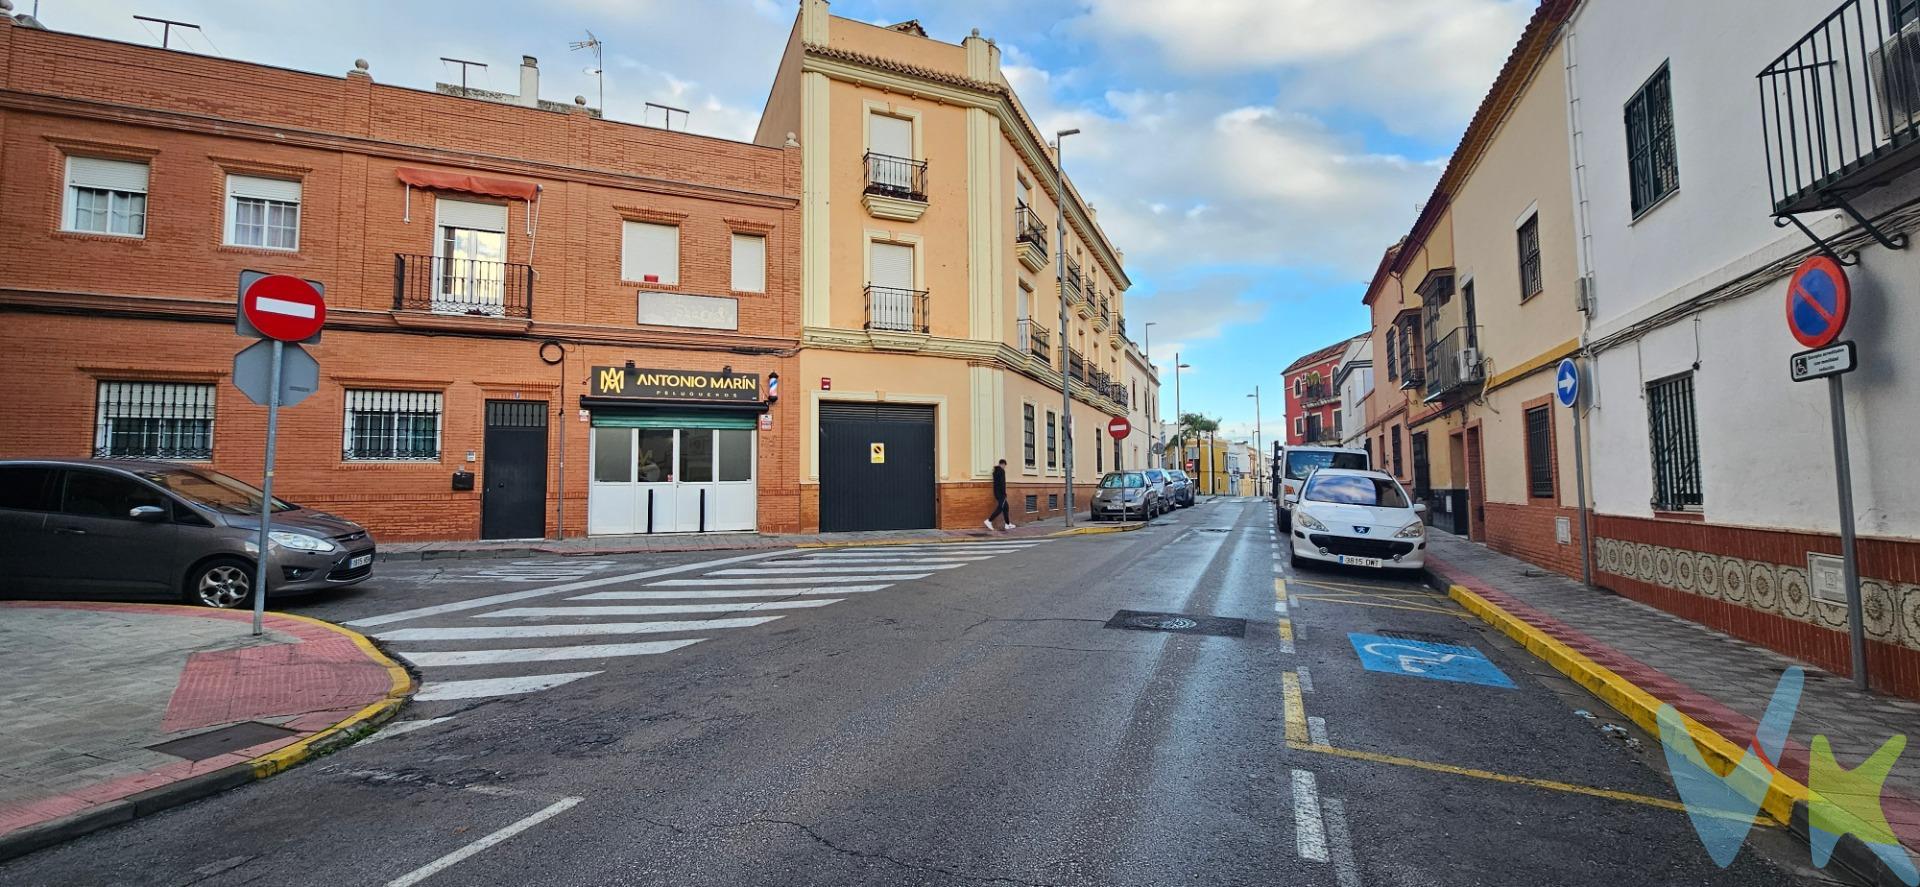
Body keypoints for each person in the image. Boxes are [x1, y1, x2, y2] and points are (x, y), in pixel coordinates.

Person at [985, 459, 1014, 531]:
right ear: (1003, 464)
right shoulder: (1001, 471)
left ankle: (1007, 524)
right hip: (1001, 493)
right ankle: (989, 521)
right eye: (1004, 466)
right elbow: (1002, 483)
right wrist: (1004, 493)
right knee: (1000, 508)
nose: (1004, 467)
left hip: (997, 493)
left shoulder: (995, 471)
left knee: (1006, 507)